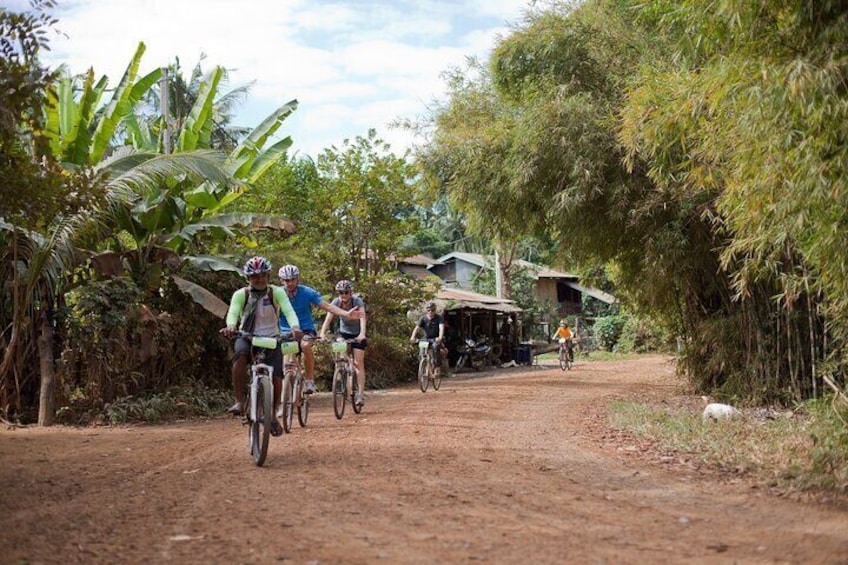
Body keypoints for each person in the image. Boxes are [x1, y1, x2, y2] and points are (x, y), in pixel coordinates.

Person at [220, 256, 302, 437]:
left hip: (272, 338)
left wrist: (295, 327)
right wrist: (231, 326)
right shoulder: (241, 294)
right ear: (248, 278)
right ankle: (239, 401)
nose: (259, 279)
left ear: (268, 276)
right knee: (240, 357)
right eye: (255, 276)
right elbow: (233, 313)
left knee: (278, 377)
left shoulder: (276, 292)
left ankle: (272, 415)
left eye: (263, 275)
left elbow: (289, 311)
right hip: (247, 336)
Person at [277, 264, 363, 394]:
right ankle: (286, 403)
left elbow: (327, 307)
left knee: (305, 346)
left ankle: (310, 380)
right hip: (285, 332)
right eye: (286, 280)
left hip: (306, 330)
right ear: (281, 281)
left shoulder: (306, 292)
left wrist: (346, 314)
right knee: (287, 365)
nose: (290, 283)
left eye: (293, 279)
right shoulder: (277, 294)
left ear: (297, 279)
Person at [319, 279, 367, 408]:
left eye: (346, 292)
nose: (343, 295)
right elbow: (328, 318)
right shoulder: (336, 302)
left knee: (358, 362)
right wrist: (322, 333)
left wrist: (362, 334)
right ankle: (343, 368)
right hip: (343, 333)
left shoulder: (357, 301)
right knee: (339, 349)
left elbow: (363, 319)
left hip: (357, 333)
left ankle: (360, 394)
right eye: (341, 292)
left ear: (350, 292)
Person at [409, 302, 447, 375]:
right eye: (429, 310)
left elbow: (441, 328)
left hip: (435, 339)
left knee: (435, 347)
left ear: (435, 310)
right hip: (426, 339)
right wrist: (413, 337)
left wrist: (440, 337)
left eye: (432, 310)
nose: (430, 312)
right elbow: (416, 328)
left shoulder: (439, 318)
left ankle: (436, 367)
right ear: (426, 311)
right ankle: (424, 367)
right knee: (421, 353)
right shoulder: (423, 318)